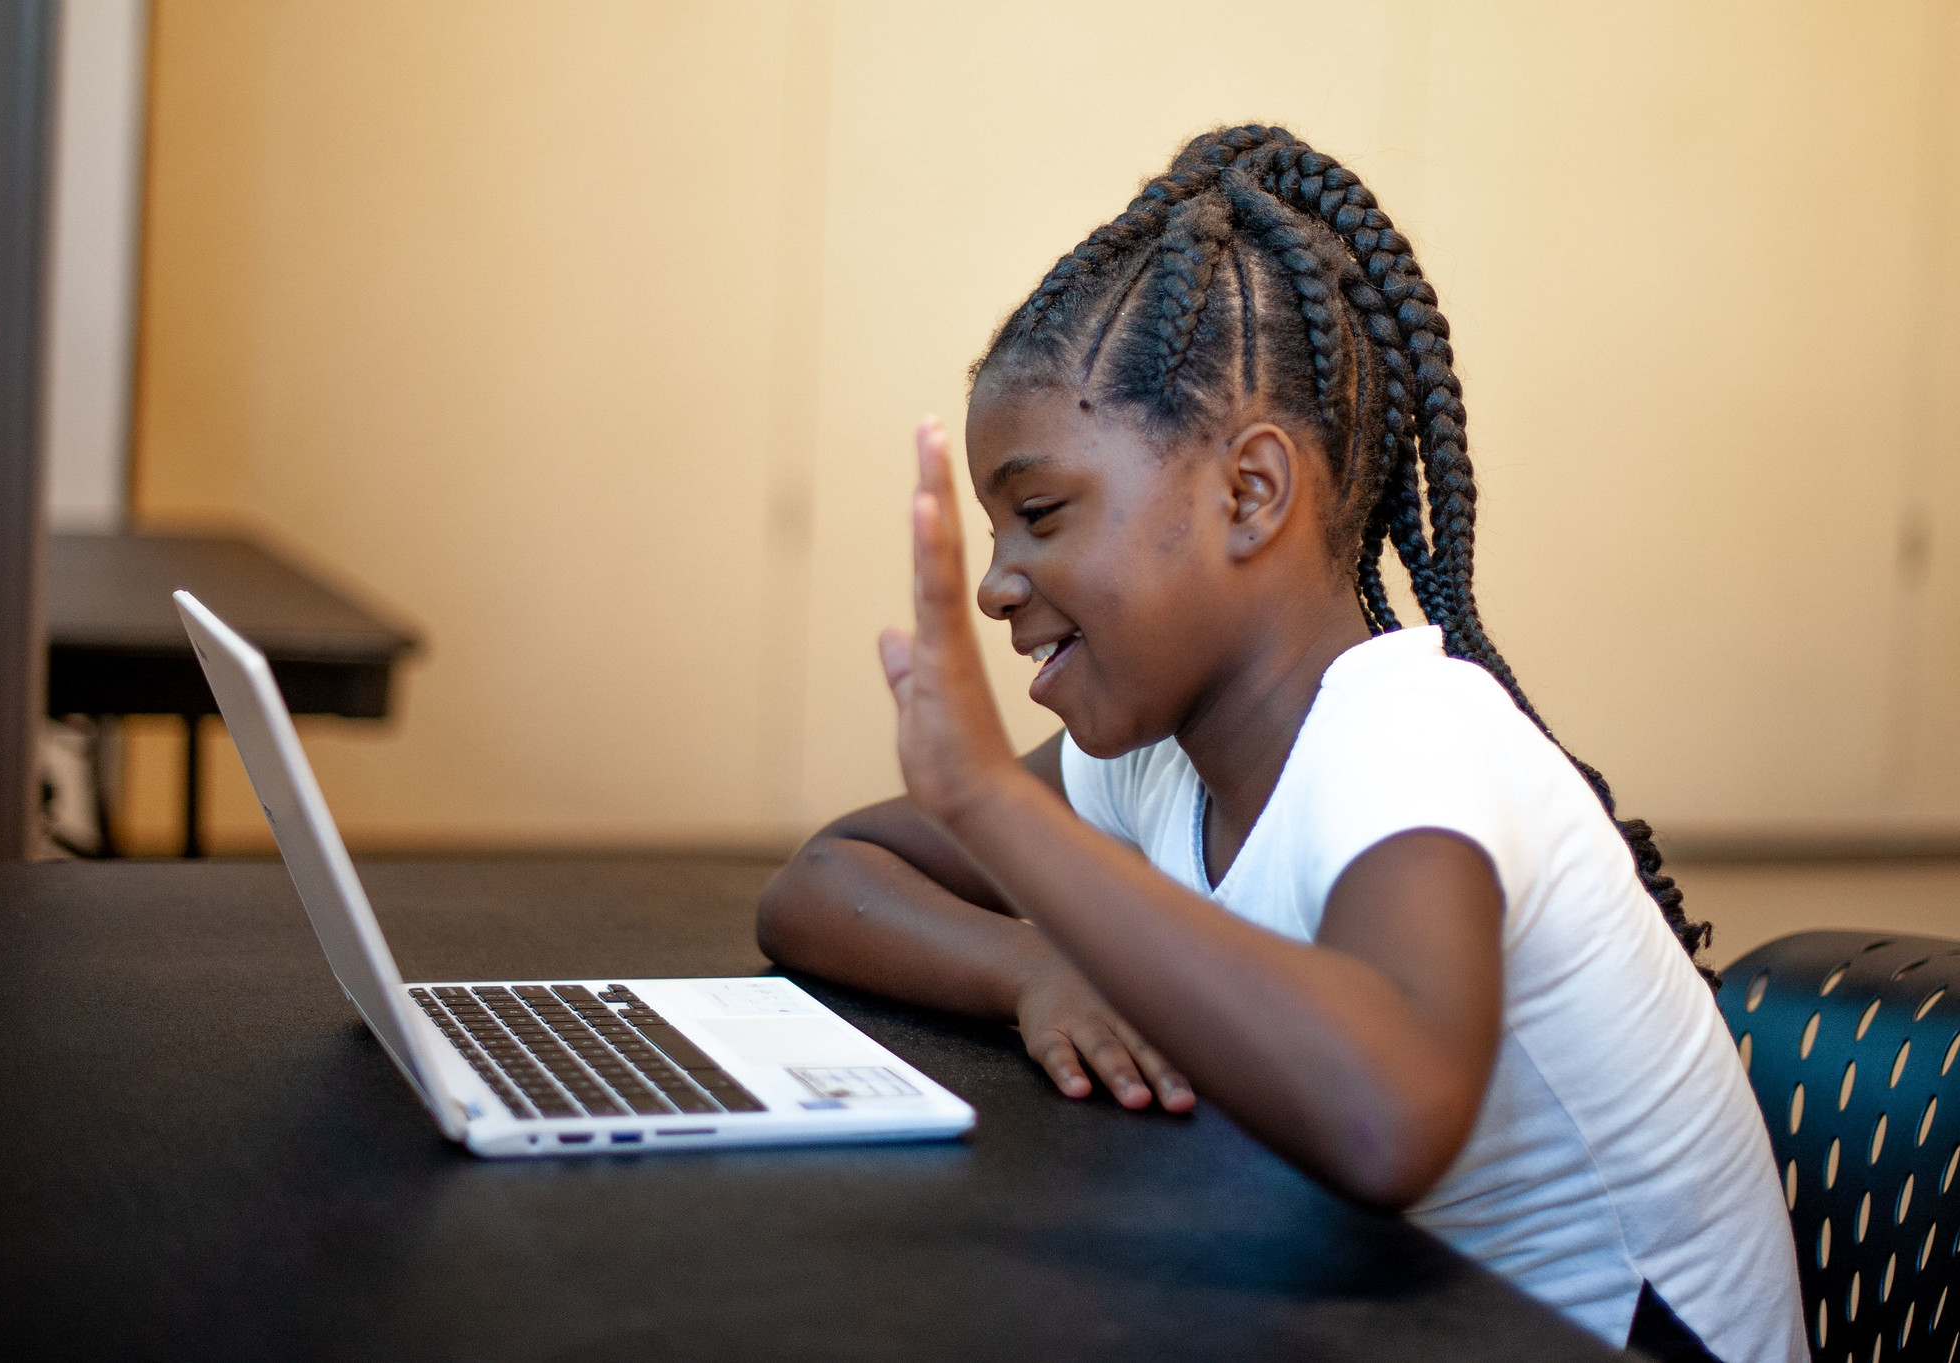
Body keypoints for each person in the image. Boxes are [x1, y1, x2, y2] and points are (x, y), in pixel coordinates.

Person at [756, 125, 1805, 1363]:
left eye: (1038, 513)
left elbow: (1386, 1120)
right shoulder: (1151, 755)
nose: (998, 582)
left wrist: (994, 805)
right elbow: (819, 885)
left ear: (1250, 493)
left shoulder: (1407, 733)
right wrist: (1035, 969)